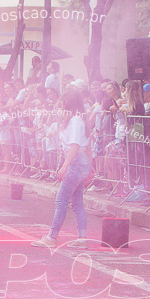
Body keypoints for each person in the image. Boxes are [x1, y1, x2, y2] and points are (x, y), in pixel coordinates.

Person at [32, 90, 91, 248]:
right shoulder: (74, 120)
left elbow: (75, 146)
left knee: (61, 200)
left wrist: (64, 166)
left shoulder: (76, 120)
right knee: (77, 201)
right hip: (79, 162)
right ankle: (82, 238)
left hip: (76, 162)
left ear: (67, 103)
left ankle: (52, 237)